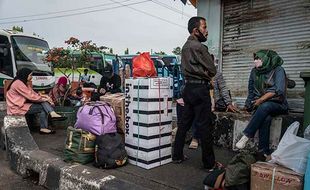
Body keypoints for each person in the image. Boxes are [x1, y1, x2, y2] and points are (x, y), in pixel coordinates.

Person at [172, 16, 218, 171]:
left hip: (188, 89)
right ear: (195, 30)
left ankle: (176, 155)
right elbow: (213, 70)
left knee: (184, 123)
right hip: (200, 90)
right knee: (205, 126)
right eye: (204, 27)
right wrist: (205, 73)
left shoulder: (185, 47)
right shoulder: (199, 47)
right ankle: (209, 164)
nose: (206, 31)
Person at [236, 49, 288, 156]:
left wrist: (261, 99)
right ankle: (263, 152)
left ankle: (247, 135)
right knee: (266, 118)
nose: (256, 61)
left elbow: (279, 90)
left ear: (266, 59)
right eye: (255, 59)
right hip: (261, 106)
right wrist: (248, 104)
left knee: (265, 106)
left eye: (259, 59)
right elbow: (251, 90)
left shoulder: (278, 70)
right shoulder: (254, 71)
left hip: (278, 104)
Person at [6, 68, 67, 134]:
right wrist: (46, 99)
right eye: (30, 75)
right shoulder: (18, 83)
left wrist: (45, 96)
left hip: (22, 105)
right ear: (25, 75)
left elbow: (33, 93)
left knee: (43, 104)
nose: (31, 77)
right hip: (17, 108)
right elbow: (31, 96)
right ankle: (49, 118)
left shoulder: (24, 83)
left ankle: (47, 123)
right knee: (43, 105)